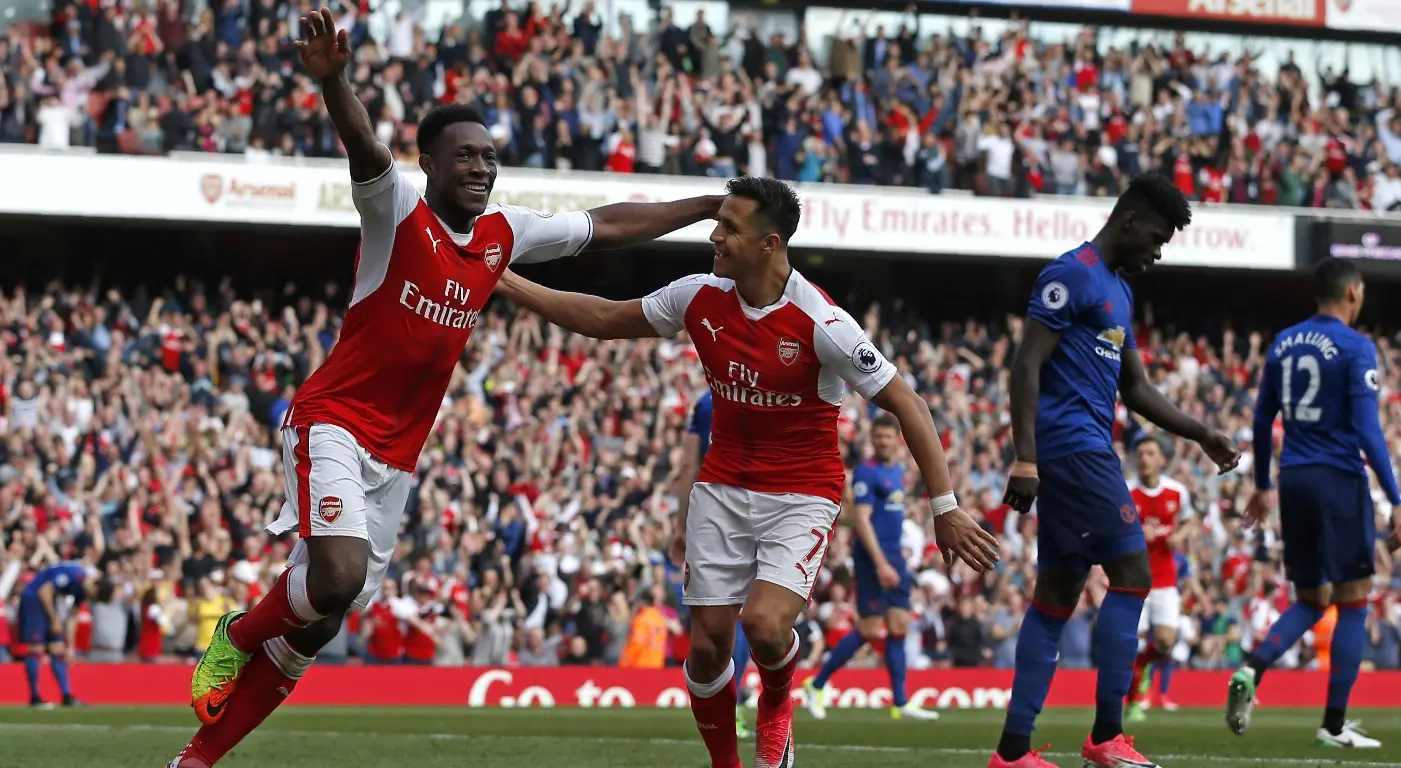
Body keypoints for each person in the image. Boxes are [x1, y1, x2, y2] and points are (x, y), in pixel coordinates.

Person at [170, 8, 726, 767]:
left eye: (488, 158)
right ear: (429, 163)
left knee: (321, 624)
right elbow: (364, 146)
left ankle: (196, 759)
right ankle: (234, 635)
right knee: (335, 578)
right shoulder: (394, 210)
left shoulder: (504, 233)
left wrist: (706, 206)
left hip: (397, 458)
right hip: (333, 420)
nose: (480, 168)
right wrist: (334, 84)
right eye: (464, 156)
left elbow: (611, 225)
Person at [495, 175, 999, 768]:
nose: (714, 235)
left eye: (730, 228)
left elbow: (908, 403)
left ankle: (778, 716)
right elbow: (604, 318)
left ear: (770, 244)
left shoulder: (823, 322)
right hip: (722, 486)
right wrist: (501, 279)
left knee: (763, 625)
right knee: (706, 648)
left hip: (802, 492)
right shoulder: (698, 296)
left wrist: (945, 507)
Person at [997, 173, 1240, 768]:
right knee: (1133, 573)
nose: (1156, 252)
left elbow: (1136, 387)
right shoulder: (1072, 274)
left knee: (1055, 597)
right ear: (1128, 222)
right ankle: (1107, 737)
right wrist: (1024, 456)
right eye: (1155, 238)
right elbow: (1025, 366)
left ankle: (1012, 753)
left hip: (1082, 452)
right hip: (1071, 450)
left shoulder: (1119, 292)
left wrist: (1201, 432)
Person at [1227, 256, 1400, 748]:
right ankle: (1334, 724)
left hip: (1294, 480)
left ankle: (1251, 669)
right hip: (1340, 480)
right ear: (1352, 293)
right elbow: (1368, 429)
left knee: (1310, 598)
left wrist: (1262, 483)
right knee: (1354, 601)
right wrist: (1397, 497)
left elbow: (1262, 420)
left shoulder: (1284, 341)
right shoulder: (1356, 346)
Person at [803, 412, 940, 721]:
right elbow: (861, 520)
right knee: (868, 627)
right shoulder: (867, 472)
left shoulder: (897, 471)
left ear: (896, 440)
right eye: (877, 436)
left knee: (899, 625)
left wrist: (894, 560)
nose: (882, 441)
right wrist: (880, 563)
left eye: (887, 436)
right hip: (872, 559)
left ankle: (901, 702)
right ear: (873, 439)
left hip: (894, 557)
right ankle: (818, 683)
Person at [677, 391, 757, 739]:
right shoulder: (765, 389)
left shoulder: (705, 402)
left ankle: (731, 703)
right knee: (746, 615)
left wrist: (682, 522)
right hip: (760, 508)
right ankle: (737, 701)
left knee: (724, 617)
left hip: (713, 513)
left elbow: (688, 466)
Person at [1124, 436, 1193, 720]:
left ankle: (1145, 665)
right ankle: (1134, 703)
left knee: (1166, 642)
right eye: (1140, 453)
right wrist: (1137, 535)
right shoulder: (1127, 491)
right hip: (1134, 579)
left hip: (1165, 580)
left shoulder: (1176, 492)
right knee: (1133, 643)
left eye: (1150, 453)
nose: (1144, 458)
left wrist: (1178, 535)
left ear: (1162, 459)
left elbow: (1189, 521)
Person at [17, 561, 101, 708]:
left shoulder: (82, 591)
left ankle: (67, 696)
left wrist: (71, 646)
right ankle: (35, 696)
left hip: (49, 602)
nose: (92, 597)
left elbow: (72, 617)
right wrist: (54, 619)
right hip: (33, 598)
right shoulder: (74, 575)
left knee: (58, 648)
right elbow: (44, 591)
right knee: (36, 648)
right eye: (94, 595)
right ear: (95, 585)